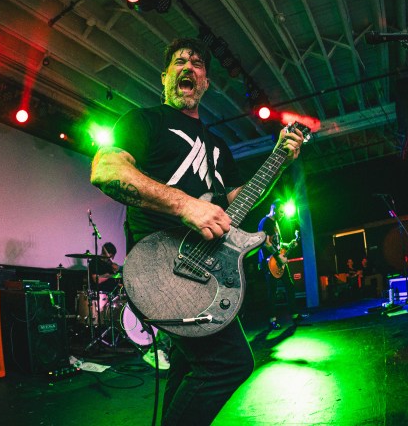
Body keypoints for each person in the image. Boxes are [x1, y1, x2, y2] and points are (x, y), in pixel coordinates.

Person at [90, 37, 304, 425]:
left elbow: (241, 199)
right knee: (230, 363)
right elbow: (106, 170)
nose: (188, 66)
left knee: (189, 368)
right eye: (179, 62)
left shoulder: (219, 146)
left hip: (207, 271)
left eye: (197, 63)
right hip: (162, 266)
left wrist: (279, 159)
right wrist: (186, 205)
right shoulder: (145, 121)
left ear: (205, 82)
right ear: (165, 77)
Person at [256, 200, 300, 330]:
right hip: (269, 261)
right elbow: (265, 243)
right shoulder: (265, 222)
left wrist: (289, 244)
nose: (282, 214)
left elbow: (277, 244)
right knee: (272, 292)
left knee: (290, 286)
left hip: (277, 260)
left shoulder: (276, 224)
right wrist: (278, 257)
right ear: (273, 209)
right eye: (281, 211)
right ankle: (272, 320)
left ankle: (295, 315)